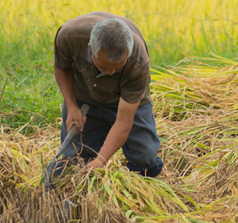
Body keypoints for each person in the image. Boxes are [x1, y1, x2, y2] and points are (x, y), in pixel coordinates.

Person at [43, 12, 164, 186]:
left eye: (118, 68)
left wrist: (100, 160)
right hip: (84, 91)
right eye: (105, 67)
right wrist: (71, 106)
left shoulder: (138, 62)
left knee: (144, 160)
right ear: (91, 49)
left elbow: (123, 122)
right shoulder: (69, 36)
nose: (110, 73)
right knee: (75, 159)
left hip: (125, 100)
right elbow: (61, 67)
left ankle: (143, 192)